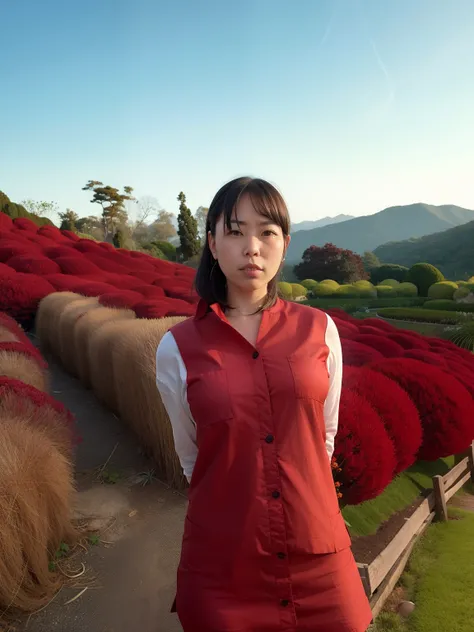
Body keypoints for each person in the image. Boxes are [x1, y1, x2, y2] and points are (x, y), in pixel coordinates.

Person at [156, 176, 372, 632]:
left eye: (267, 232)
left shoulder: (320, 330)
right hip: (224, 561)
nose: (252, 247)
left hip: (317, 552)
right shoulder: (177, 347)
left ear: (285, 244)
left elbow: (324, 438)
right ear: (212, 243)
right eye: (235, 231)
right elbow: (192, 456)